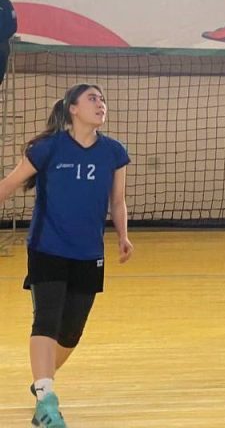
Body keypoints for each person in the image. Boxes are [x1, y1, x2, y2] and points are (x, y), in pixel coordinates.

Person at [0, 83, 133, 428]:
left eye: (103, 99)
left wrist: (123, 236)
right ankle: (46, 400)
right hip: (47, 247)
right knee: (46, 319)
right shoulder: (48, 148)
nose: (101, 104)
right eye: (92, 98)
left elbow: (117, 201)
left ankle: (42, 380)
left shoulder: (114, 152)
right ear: (72, 108)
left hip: (89, 252)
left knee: (71, 331)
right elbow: (8, 184)